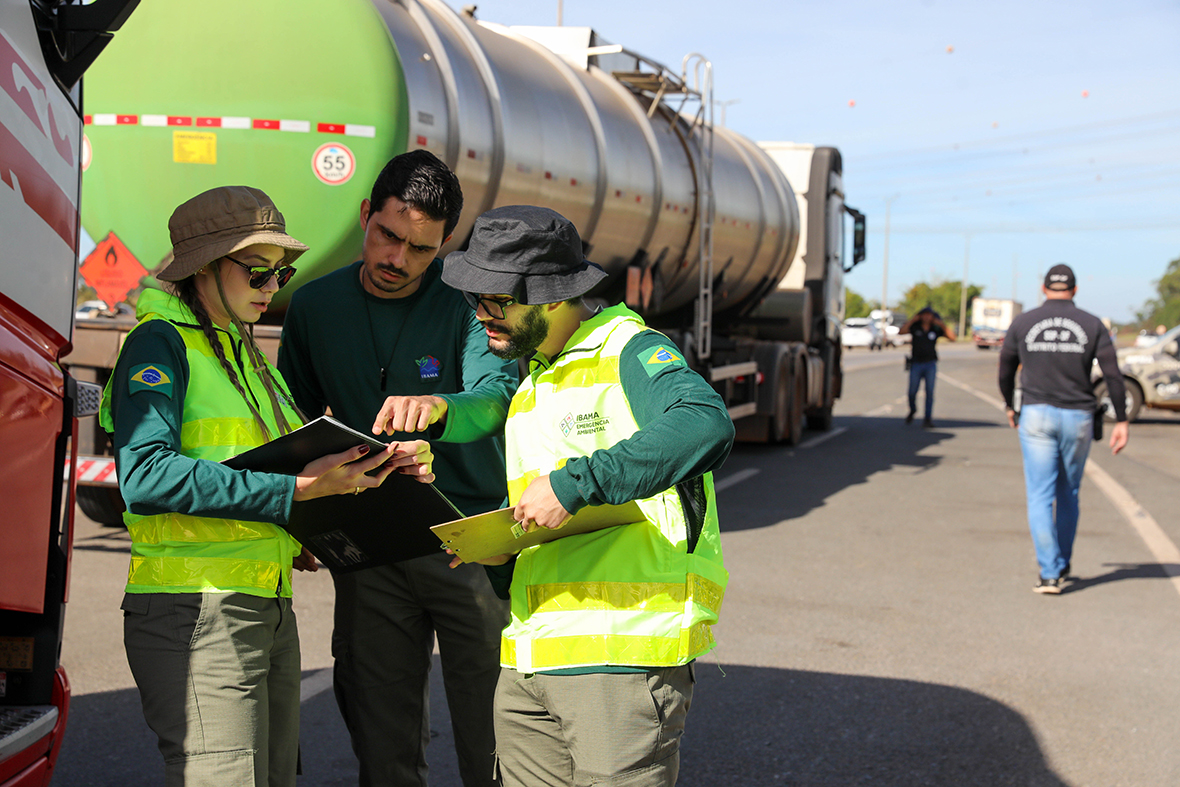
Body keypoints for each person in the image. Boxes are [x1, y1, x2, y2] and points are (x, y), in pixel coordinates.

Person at [99, 186, 435, 787]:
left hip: (264, 605)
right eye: (256, 271)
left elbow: (273, 467)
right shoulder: (160, 344)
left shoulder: (245, 353)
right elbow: (145, 474)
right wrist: (295, 494)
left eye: (281, 273)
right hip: (195, 609)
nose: (271, 287)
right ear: (203, 266)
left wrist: (368, 474)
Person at [441, 205, 734, 787]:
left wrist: (576, 485)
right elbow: (551, 519)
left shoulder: (629, 349)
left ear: (551, 297)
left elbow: (704, 423)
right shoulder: (534, 381)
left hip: (620, 660)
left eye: (495, 301)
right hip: (531, 657)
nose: (480, 316)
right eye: (475, 299)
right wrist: (503, 551)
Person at [278, 151, 516, 787]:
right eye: (388, 236)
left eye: (421, 250)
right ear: (365, 216)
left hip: (470, 541)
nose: (398, 261)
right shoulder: (312, 307)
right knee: (382, 745)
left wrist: (439, 409)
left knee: (493, 742)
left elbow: (493, 403)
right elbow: (290, 424)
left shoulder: (470, 304)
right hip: (372, 546)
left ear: (443, 246)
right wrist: (303, 519)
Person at [998, 264, 1130, 595]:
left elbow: (1005, 368)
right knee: (1068, 492)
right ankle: (1063, 560)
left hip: (1036, 414)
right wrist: (1123, 419)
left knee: (1040, 495)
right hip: (1078, 416)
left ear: (1043, 289)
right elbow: (1113, 374)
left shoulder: (1024, 322)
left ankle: (1049, 573)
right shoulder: (1091, 324)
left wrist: (1009, 404)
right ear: (1074, 289)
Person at [902, 306, 956, 427]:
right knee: (912, 391)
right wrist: (913, 320)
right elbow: (901, 331)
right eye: (924, 314)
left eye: (929, 315)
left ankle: (927, 418)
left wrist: (941, 324)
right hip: (916, 363)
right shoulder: (915, 327)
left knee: (929, 392)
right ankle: (912, 409)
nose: (926, 317)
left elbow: (953, 337)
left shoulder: (935, 329)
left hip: (930, 364)